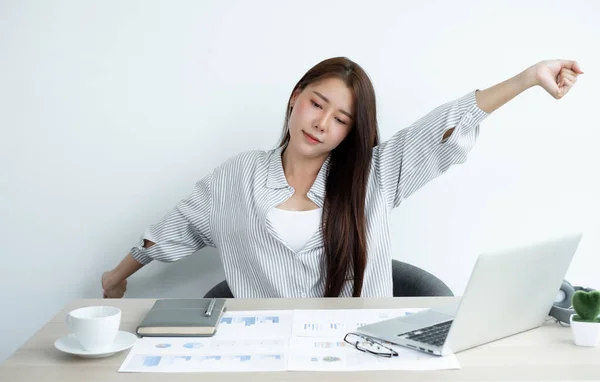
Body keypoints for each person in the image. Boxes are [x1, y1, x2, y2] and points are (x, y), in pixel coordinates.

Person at [102, 56, 583, 299]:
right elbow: (170, 229)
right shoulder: (236, 177)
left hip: (358, 352)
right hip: (261, 355)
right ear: (295, 97)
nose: (321, 123)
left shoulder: (375, 174)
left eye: (341, 119)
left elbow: (446, 125)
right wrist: (116, 278)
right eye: (316, 104)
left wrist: (525, 79)